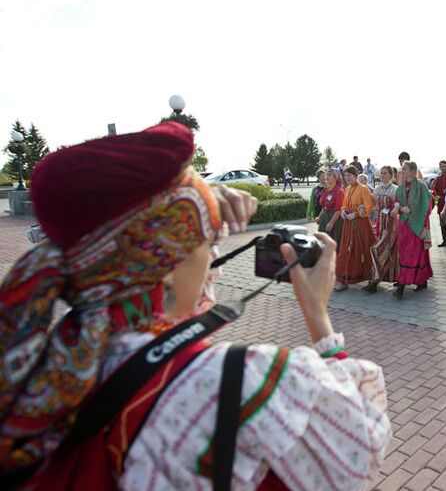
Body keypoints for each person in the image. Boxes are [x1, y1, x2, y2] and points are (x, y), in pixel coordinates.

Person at [0, 123, 390, 490]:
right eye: (207, 245)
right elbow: (362, 444)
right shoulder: (229, 381)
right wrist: (319, 316)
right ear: (165, 267)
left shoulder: (59, 363)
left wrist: (202, 204)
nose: (215, 266)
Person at [393, 161, 433, 298]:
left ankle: (402, 285)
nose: (401, 171)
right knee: (405, 253)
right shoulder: (402, 186)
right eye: (402, 169)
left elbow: (427, 207)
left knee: (414, 253)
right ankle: (421, 281)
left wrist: (422, 224)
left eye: (404, 169)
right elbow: (396, 199)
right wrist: (398, 207)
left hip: (417, 225)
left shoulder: (421, 186)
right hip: (404, 226)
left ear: (412, 171)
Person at [335, 166, 376, 291]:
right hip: (348, 224)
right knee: (346, 250)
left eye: (350, 176)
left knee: (363, 248)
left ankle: (371, 278)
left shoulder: (363, 189)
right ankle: (344, 279)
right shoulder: (346, 189)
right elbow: (344, 204)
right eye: (345, 176)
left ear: (356, 175)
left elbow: (370, 206)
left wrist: (356, 214)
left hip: (361, 224)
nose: (347, 178)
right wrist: (343, 211)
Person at [365, 166, 399, 292]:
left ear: (391, 175)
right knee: (383, 250)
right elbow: (372, 203)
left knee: (379, 249)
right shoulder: (378, 188)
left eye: (385, 173)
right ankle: (380, 279)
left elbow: (398, 204)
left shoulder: (395, 189)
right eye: (382, 173)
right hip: (379, 221)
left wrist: (396, 208)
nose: (383, 175)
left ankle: (374, 281)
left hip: (391, 223)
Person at [316, 168, 345, 243]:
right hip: (325, 218)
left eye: (329, 175)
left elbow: (338, 209)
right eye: (326, 175)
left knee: (332, 241)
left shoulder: (339, 191)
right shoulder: (326, 190)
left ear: (336, 177)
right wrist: (319, 217)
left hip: (334, 219)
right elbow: (324, 206)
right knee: (322, 242)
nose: (326, 177)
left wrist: (331, 223)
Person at [431, 160, 446, 247]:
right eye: (442, 166)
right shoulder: (437, 179)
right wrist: (435, 196)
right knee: (442, 224)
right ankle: (445, 241)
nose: (444, 168)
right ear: (440, 167)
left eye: (445, 166)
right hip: (441, 204)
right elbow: (434, 191)